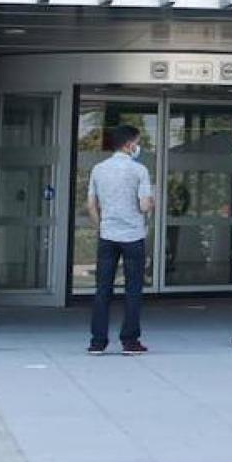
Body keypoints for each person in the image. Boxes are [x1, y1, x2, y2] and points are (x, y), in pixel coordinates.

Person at [86, 124, 154, 355]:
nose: (138, 146)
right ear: (128, 144)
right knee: (133, 289)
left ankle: (97, 341)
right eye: (137, 141)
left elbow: (91, 205)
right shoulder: (139, 171)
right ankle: (130, 340)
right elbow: (144, 205)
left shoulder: (98, 169)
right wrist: (152, 203)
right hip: (133, 236)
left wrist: (101, 227)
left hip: (107, 235)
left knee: (103, 289)